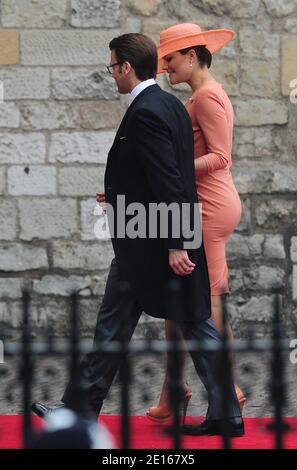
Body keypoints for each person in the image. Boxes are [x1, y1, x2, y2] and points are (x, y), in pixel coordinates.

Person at [32, 32, 244, 437]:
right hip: (156, 233)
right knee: (192, 321)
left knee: (119, 324)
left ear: (126, 67)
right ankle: (226, 413)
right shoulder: (168, 106)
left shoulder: (147, 110)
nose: (112, 75)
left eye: (113, 67)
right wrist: (117, 192)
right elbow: (158, 170)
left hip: (150, 240)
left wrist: (177, 243)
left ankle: (77, 412)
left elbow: (171, 178)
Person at [146, 23, 245, 424]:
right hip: (200, 205)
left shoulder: (206, 97)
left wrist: (172, 170)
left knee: (207, 305)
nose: (164, 66)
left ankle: (230, 388)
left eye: (169, 58)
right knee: (180, 302)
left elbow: (221, 158)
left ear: (193, 56)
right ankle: (175, 391)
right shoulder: (200, 95)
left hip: (210, 208)